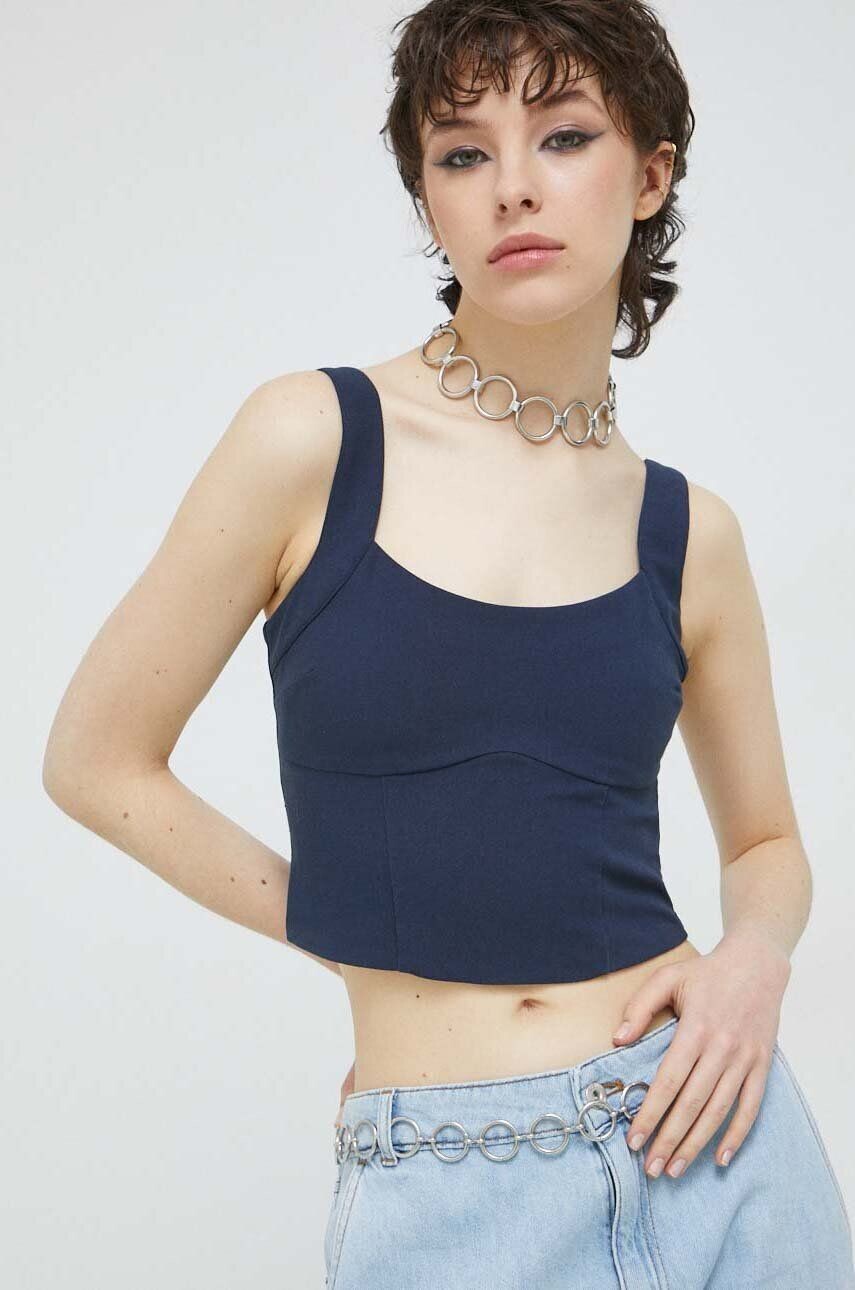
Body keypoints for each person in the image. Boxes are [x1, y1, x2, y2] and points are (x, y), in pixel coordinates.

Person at [42, 2, 854, 1287]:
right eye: (463, 152)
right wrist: (358, 925)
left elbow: (766, 844)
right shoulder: (312, 441)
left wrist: (753, 959)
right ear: (429, 200)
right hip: (449, 1185)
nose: (513, 186)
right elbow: (94, 762)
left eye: (565, 136)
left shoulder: (688, 532)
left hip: (718, 1145)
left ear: (651, 176)